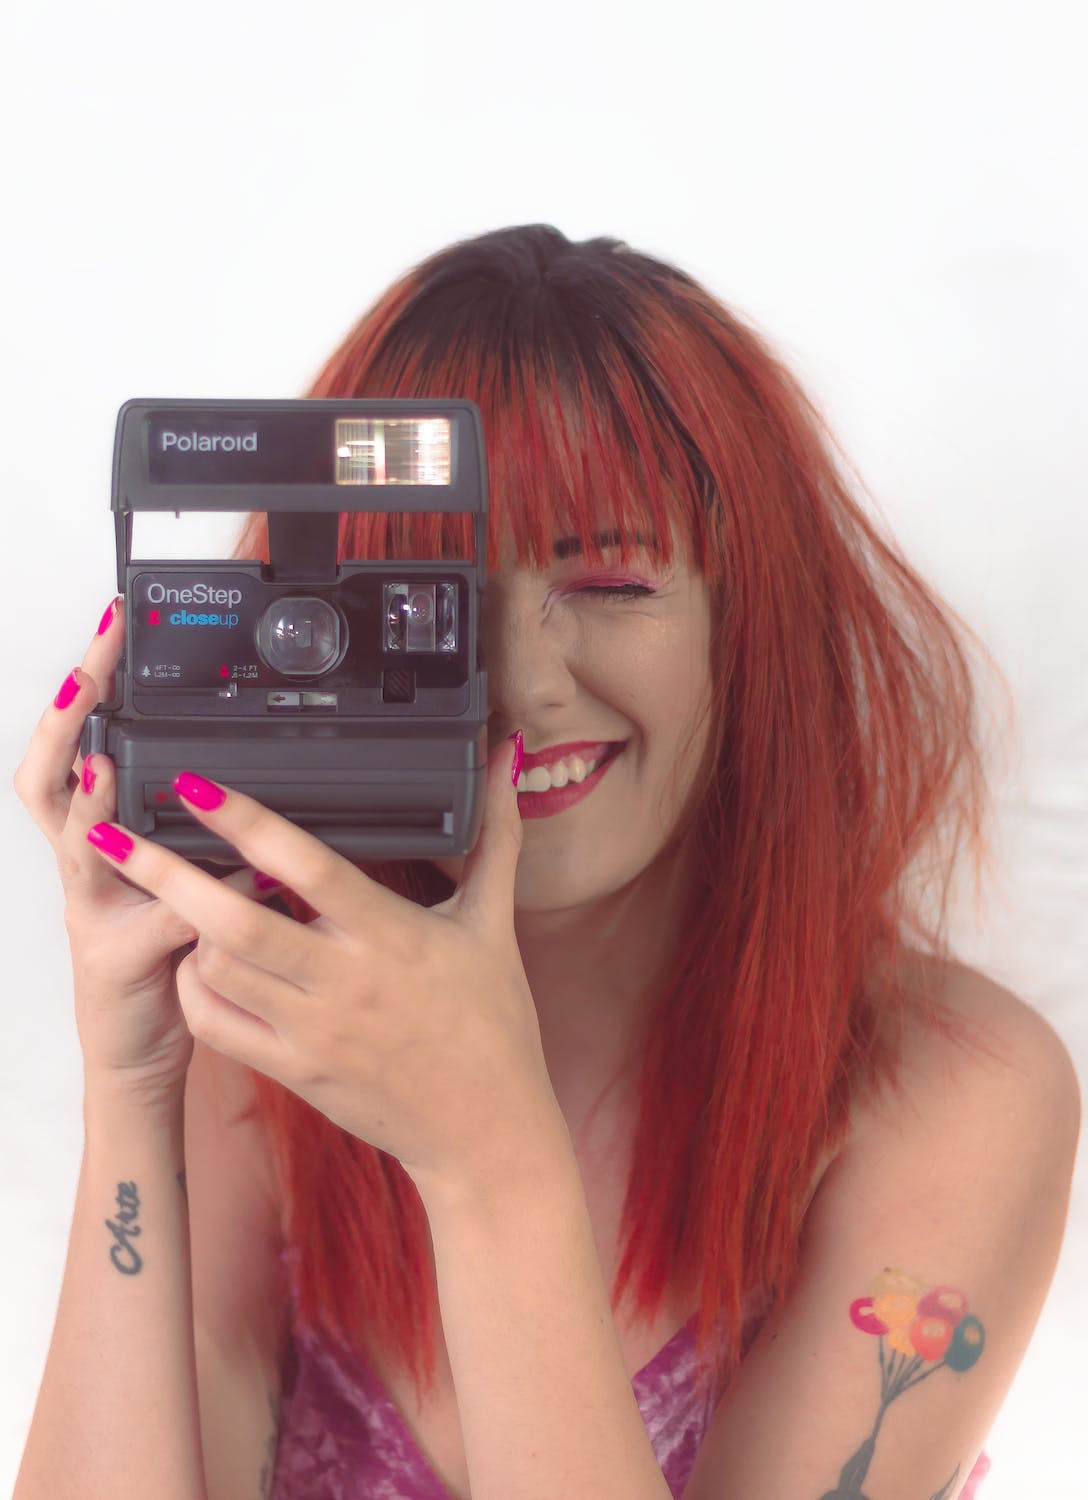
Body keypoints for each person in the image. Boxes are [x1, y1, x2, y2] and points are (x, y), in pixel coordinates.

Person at [12, 224, 1080, 1500]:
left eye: (613, 582)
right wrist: (132, 1089)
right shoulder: (261, 1022)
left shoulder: (956, 1092)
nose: (522, 686)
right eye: (434, 598)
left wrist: (489, 1162)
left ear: (751, 620)